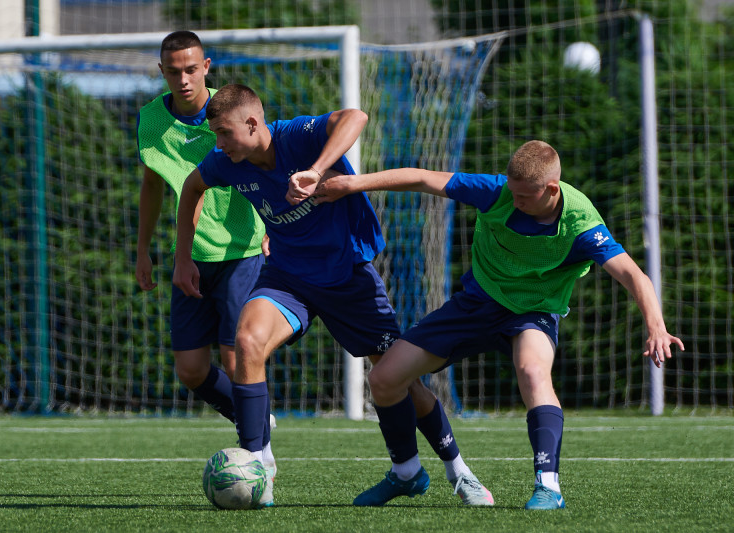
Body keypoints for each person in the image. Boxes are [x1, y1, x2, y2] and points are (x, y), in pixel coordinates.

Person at [291, 139, 684, 510]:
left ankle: (548, 485)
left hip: (533, 311)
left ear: (551, 189)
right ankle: (406, 472)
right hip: (477, 303)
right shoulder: (496, 191)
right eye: (512, 192)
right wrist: (353, 184)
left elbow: (634, 275)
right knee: (384, 378)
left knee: (533, 371)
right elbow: (423, 178)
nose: (514, 202)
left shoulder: (581, 223)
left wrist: (656, 326)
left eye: (524, 197)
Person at [173, 84, 492, 509]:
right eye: (215, 135)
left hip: (347, 278)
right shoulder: (225, 162)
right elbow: (191, 189)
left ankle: (456, 471)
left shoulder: (297, 136)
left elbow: (355, 116)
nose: (219, 144)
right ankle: (259, 467)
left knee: (397, 378)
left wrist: (317, 169)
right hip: (287, 276)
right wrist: (182, 257)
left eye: (225, 133)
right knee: (247, 340)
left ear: (253, 123)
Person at [135, 32, 276, 473]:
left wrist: (275, 226)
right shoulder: (151, 121)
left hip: (242, 250)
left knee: (239, 357)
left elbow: (269, 166)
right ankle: (255, 419)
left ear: (206, 66)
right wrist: (142, 249)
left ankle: (258, 458)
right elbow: (153, 185)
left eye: (191, 68)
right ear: (162, 71)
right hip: (190, 256)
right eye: (173, 71)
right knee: (191, 370)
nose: (183, 78)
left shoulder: (232, 111)